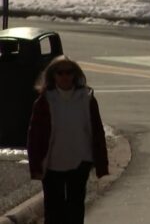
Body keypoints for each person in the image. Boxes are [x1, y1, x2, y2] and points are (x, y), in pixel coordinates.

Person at [27, 56, 109, 224]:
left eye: (69, 72)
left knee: (75, 207)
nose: (65, 76)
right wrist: (35, 165)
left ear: (75, 75)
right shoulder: (45, 101)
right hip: (52, 164)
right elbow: (34, 136)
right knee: (53, 210)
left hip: (80, 161)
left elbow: (97, 131)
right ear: (53, 76)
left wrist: (101, 162)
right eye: (60, 73)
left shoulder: (86, 98)